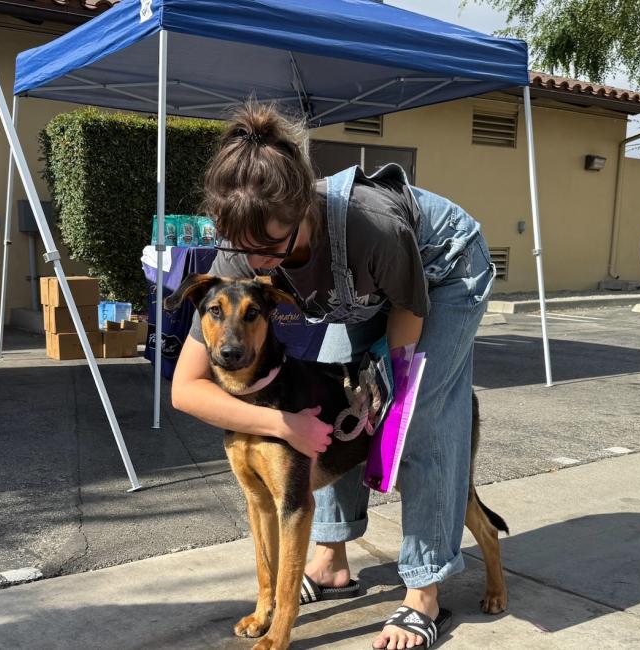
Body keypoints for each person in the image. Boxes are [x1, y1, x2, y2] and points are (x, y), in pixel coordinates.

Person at [170, 103, 495, 649]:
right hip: (364, 289)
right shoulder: (242, 252)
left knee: (414, 420)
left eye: (273, 247)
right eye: (246, 251)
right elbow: (186, 388)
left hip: (443, 270)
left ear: (303, 212)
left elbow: (406, 316)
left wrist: (391, 386)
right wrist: (282, 426)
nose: (260, 264)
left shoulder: (371, 228)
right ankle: (331, 557)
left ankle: (424, 591)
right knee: (340, 398)